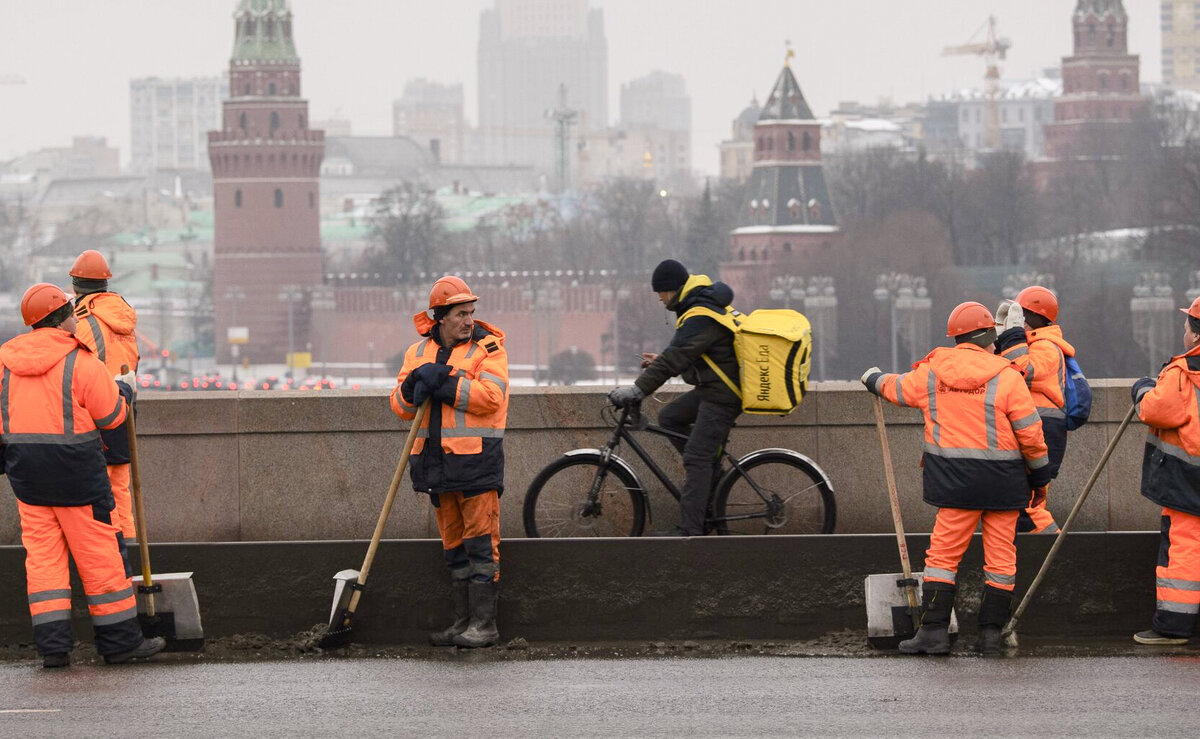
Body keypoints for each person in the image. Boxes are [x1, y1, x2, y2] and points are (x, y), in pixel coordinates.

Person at [862, 301, 1050, 655]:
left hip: (955, 483)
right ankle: (991, 635)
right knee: (1000, 560)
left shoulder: (934, 371)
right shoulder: (1008, 376)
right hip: (1004, 485)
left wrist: (872, 379)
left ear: (957, 338)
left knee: (943, 557)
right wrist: (1040, 480)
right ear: (988, 338)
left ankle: (933, 632)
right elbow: (1031, 434)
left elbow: (897, 388)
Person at [0, 283, 163, 668]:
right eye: (71, 313)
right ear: (62, 318)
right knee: (100, 557)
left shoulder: (5, 363)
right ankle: (120, 643)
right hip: (78, 476)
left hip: (27, 476)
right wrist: (123, 390)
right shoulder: (80, 360)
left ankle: (53, 650)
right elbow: (112, 418)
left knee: (43, 563)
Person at [390, 276, 508, 648]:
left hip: (476, 466)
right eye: (460, 313)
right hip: (435, 467)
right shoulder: (416, 354)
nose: (468, 320)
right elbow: (400, 407)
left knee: (481, 548)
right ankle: (462, 623)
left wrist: (443, 380)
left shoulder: (488, 349)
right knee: (454, 549)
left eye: (471, 313)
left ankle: (485, 626)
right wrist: (413, 388)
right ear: (440, 317)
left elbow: (491, 397)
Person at [608, 259, 741, 537]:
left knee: (696, 456)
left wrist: (637, 390)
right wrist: (662, 361)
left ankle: (690, 529)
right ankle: (711, 474)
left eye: (661, 292)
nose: (659, 298)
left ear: (673, 289)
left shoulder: (700, 314)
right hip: (714, 387)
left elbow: (674, 358)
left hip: (723, 395)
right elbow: (698, 356)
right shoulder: (698, 307)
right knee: (670, 417)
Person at [1129, 295, 1200, 645]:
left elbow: (1157, 411)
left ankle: (1173, 626)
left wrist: (1142, 389)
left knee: (1184, 552)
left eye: (1188, 325)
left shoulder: (1182, 373)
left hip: (1187, 483)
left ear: (1196, 336)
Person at [69, 249, 141, 562]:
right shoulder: (123, 315)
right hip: (125, 408)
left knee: (93, 490)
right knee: (120, 487)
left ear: (75, 284)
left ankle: (107, 556)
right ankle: (131, 552)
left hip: (95, 411)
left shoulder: (81, 321)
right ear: (106, 283)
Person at [994, 285, 1076, 534]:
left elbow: (1022, 370)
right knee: (1022, 504)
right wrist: (1001, 338)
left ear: (1028, 320)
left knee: (1029, 507)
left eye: (1019, 318)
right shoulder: (1032, 344)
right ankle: (1044, 555)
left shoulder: (1048, 348)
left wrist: (1012, 336)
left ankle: (1052, 552)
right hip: (1033, 430)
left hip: (1042, 432)